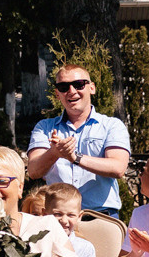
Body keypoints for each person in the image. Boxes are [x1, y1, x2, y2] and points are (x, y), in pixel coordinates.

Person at [26, 64, 132, 216]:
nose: (71, 91)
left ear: (92, 88)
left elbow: (118, 168)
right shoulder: (44, 127)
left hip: (100, 216)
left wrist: (75, 158)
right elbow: (34, 171)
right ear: (57, 94)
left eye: (78, 84)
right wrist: (54, 153)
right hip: (58, 218)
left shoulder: (112, 125)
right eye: (63, 87)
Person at [22, 182, 97, 257]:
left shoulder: (85, 248)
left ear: (79, 216)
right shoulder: (33, 242)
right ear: (45, 214)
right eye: (57, 214)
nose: (64, 220)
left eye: (71, 215)